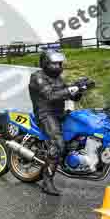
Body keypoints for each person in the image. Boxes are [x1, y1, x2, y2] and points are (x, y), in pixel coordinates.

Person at [28, 50, 84, 196]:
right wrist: (72, 89)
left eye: (59, 63)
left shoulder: (58, 78)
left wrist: (81, 88)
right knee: (57, 144)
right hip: (45, 115)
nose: (58, 66)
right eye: (55, 63)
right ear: (45, 63)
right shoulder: (37, 77)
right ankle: (47, 182)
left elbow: (70, 96)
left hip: (59, 113)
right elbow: (50, 95)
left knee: (79, 132)